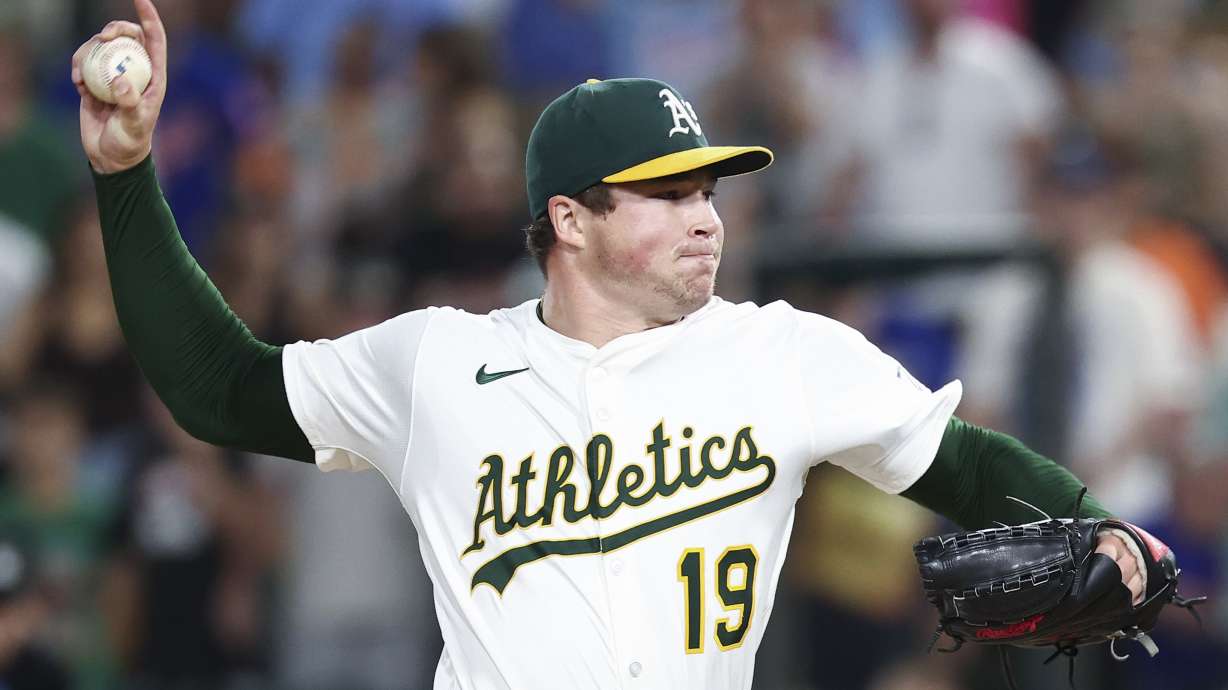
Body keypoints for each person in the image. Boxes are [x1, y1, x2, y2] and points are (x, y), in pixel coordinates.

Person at [73, 2, 1156, 688]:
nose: (707, 217)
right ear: (571, 220)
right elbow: (217, 387)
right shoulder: (436, 361)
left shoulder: (781, 352)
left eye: (709, 190)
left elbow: (961, 461)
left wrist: (1095, 525)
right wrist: (125, 178)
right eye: (666, 194)